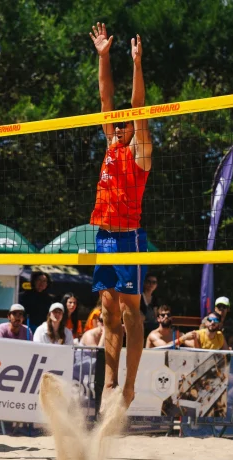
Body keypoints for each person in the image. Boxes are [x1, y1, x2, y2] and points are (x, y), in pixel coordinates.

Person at [89, 22, 152, 407]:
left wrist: (137, 64)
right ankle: (110, 384)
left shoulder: (139, 150)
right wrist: (103, 56)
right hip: (103, 235)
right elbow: (105, 99)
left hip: (128, 237)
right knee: (108, 313)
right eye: (120, 124)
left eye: (126, 124)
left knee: (133, 316)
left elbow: (137, 108)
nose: (119, 126)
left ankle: (129, 385)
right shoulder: (111, 143)